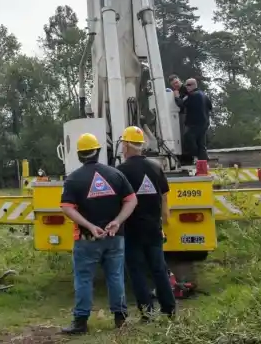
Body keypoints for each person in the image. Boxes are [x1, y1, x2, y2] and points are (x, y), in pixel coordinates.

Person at [59, 133, 138, 334]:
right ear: (99, 151)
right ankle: (120, 319)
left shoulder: (73, 179)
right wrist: (117, 222)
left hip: (87, 239)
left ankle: (80, 323)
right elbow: (132, 200)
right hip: (115, 237)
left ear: (79, 155)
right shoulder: (115, 174)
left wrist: (89, 225)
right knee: (115, 276)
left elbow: (67, 207)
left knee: (84, 278)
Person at [115, 125, 176, 318]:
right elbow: (165, 196)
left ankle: (147, 311)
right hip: (153, 227)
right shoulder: (156, 167)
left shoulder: (121, 171)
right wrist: (165, 217)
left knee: (137, 270)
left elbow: (118, 200)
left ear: (125, 146)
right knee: (159, 269)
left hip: (132, 229)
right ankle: (169, 309)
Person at [176, 78, 212, 162]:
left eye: (188, 85)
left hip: (194, 123)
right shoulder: (204, 95)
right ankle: (203, 161)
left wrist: (177, 97)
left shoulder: (192, 95)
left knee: (188, 138)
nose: (186, 87)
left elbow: (181, 104)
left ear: (194, 85)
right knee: (201, 143)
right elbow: (210, 107)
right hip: (204, 123)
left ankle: (194, 157)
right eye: (186, 85)